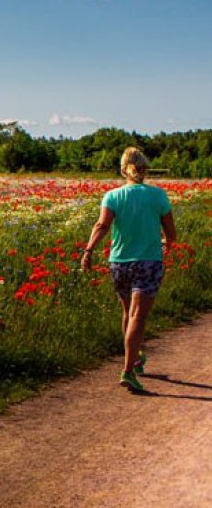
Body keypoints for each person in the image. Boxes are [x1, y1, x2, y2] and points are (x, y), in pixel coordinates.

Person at [81, 147, 177, 393]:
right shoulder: (158, 196)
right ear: (145, 169)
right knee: (137, 316)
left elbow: (102, 225)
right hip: (148, 261)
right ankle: (128, 370)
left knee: (127, 313)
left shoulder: (112, 196)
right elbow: (171, 234)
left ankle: (134, 358)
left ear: (123, 170)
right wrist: (167, 243)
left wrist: (88, 251)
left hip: (119, 262)